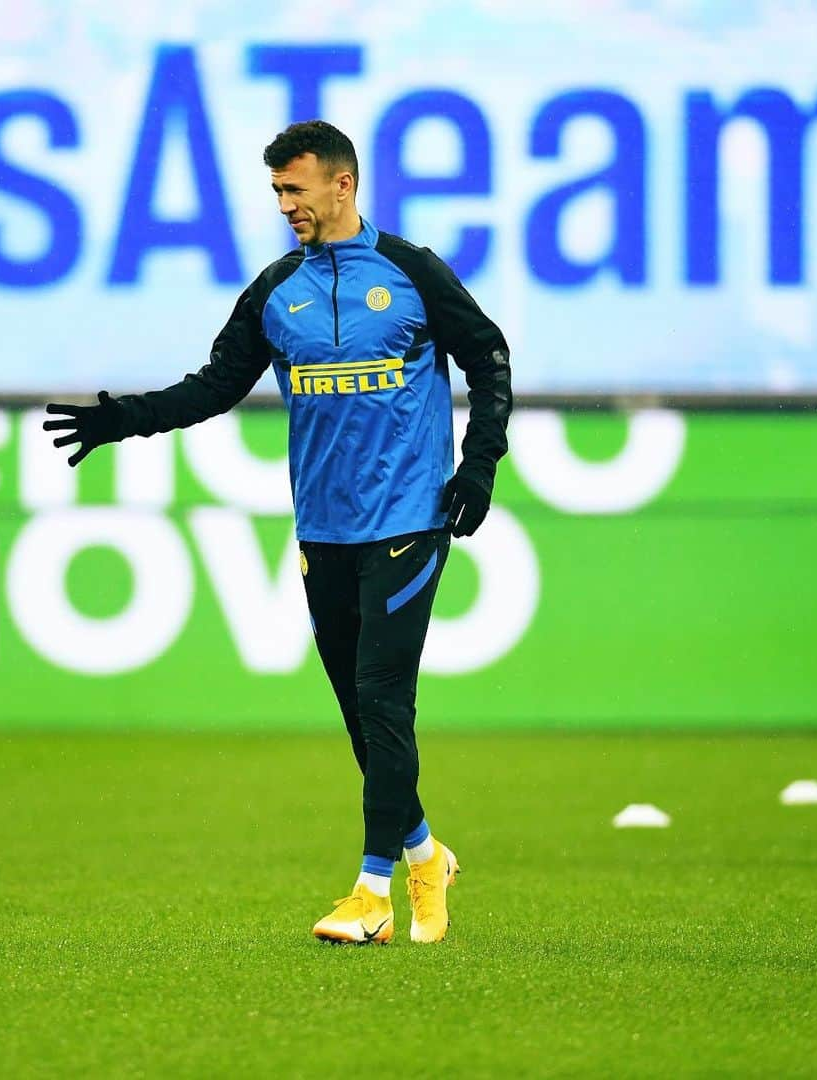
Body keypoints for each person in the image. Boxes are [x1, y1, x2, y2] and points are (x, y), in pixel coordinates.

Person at [45, 120, 511, 945]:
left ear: (343, 185)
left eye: (295, 190)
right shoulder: (276, 291)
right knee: (360, 713)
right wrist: (124, 420)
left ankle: (371, 894)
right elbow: (215, 386)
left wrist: (478, 466)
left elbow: (488, 356)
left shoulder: (410, 273)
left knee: (382, 698)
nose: (285, 206)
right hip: (322, 529)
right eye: (276, 193)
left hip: (408, 518)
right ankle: (424, 853)